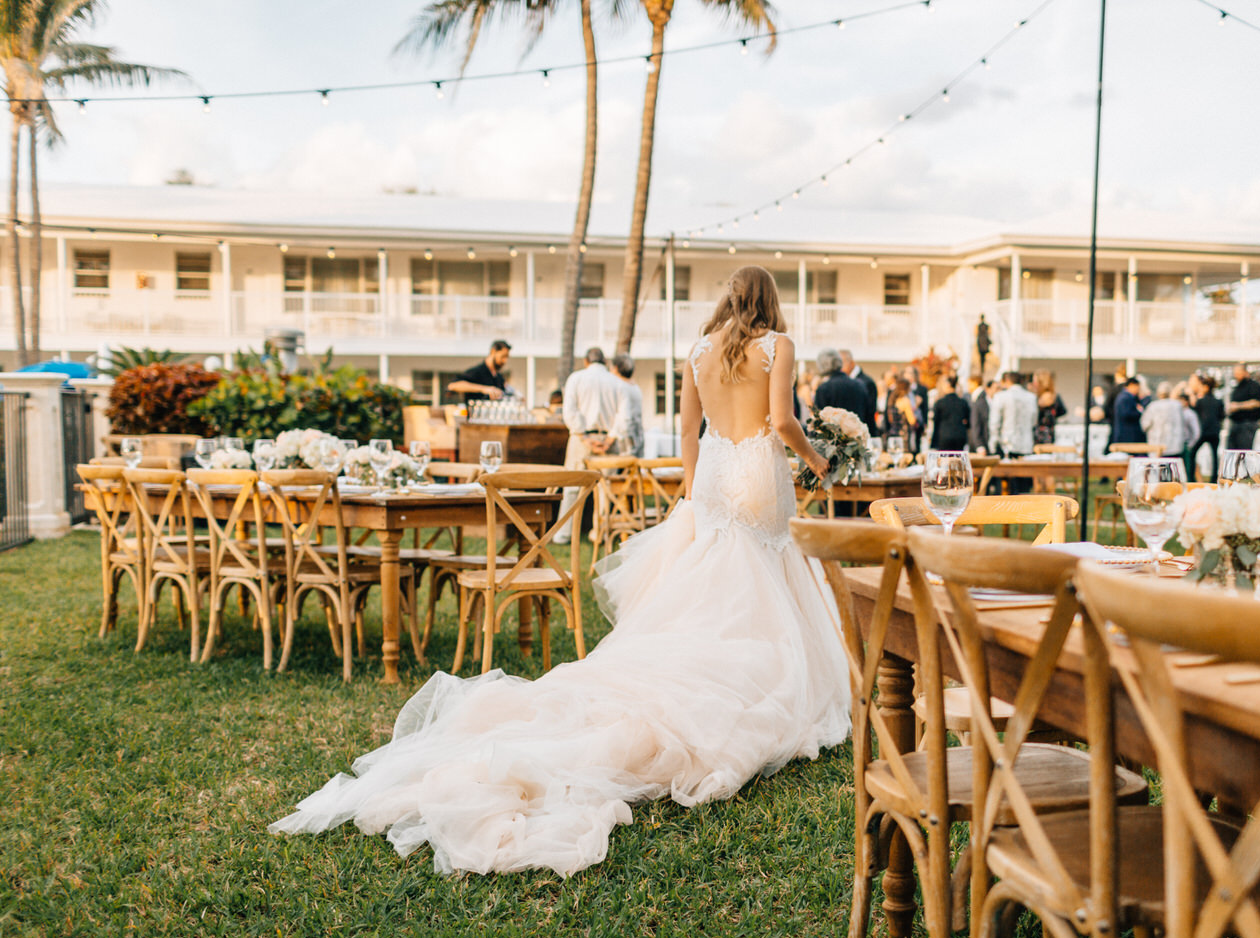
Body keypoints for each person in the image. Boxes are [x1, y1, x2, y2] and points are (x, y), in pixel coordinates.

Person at [270, 265, 841, 877]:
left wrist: (693, 493)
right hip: (757, 469)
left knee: (707, 581)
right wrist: (820, 460)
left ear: (729, 298)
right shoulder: (777, 346)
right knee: (764, 568)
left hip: (713, 476)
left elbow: (687, 436)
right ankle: (757, 673)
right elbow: (781, 423)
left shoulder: (700, 351)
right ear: (771, 301)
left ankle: (713, 663)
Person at [556, 347, 625, 545]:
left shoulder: (576, 378)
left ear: (586, 361)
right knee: (606, 489)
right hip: (607, 442)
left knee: (572, 486)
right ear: (604, 361)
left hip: (581, 439)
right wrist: (610, 439)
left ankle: (564, 534)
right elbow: (623, 415)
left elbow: (570, 411)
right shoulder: (617, 382)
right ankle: (600, 533)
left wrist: (585, 438)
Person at [990, 371, 1038, 493]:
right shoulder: (1031, 397)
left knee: (1005, 485)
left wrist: (993, 443)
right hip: (1026, 445)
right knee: (1023, 486)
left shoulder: (1001, 396)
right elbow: (1034, 421)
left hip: (1006, 444)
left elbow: (994, 422)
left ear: (1007, 381)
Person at [814, 348, 875, 425]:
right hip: (857, 433)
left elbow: (821, 421)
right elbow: (869, 416)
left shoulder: (824, 389)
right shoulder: (860, 385)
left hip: (834, 435)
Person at [601, 354, 644, 458]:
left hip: (624, 441)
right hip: (638, 438)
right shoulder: (635, 387)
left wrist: (609, 439)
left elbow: (624, 417)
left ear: (615, 368)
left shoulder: (620, 387)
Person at [449, 340, 512, 407]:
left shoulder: (499, 377)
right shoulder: (477, 372)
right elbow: (453, 386)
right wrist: (484, 389)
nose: (505, 361)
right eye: (503, 356)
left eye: (507, 357)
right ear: (493, 351)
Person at [1189, 372, 1224, 482]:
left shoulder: (1201, 401)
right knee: (1214, 456)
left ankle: (1191, 477)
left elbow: (1194, 412)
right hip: (1215, 432)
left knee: (1192, 453)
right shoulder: (1218, 402)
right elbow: (1222, 416)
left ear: (1206, 387)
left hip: (1203, 432)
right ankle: (1214, 479)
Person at [1140, 379, 1186, 457]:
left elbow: (1144, 424)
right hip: (1175, 446)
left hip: (1156, 446)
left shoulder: (1153, 406)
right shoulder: (1177, 405)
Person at [1226, 362, 1260, 450]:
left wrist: (1238, 406)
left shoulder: (1253, 386)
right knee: (1231, 451)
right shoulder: (1237, 387)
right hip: (1236, 423)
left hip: (1247, 424)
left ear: (1244, 372)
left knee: (1244, 451)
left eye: (1237, 372)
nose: (1235, 375)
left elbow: (1257, 403)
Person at [928, 375, 971, 451]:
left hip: (944, 436)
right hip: (960, 436)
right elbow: (968, 421)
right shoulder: (962, 402)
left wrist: (933, 443)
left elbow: (936, 422)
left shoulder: (940, 403)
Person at [1030, 369, 1066, 446]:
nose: (1033, 383)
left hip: (1038, 434)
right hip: (1050, 433)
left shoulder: (1036, 398)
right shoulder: (1055, 397)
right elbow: (1063, 411)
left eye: (1035, 381)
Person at [1174, 382, 1201, 473]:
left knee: (1187, 470)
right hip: (1176, 444)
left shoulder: (1190, 414)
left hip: (1185, 444)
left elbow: (1196, 432)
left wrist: (1190, 445)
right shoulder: (1176, 412)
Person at [1112, 377, 1146, 446]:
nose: (1138, 390)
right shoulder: (1126, 398)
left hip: (1124, 433)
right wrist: (1139, 412)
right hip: (1127, 434)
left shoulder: (1123, 396)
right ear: (1131, 385)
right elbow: (1126, 414)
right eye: (1137, 387)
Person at [968, 377, 992, 454]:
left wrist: (979, 444)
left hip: (982, 441)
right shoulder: (977, 396)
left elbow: (976, 422)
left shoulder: (979, 398)